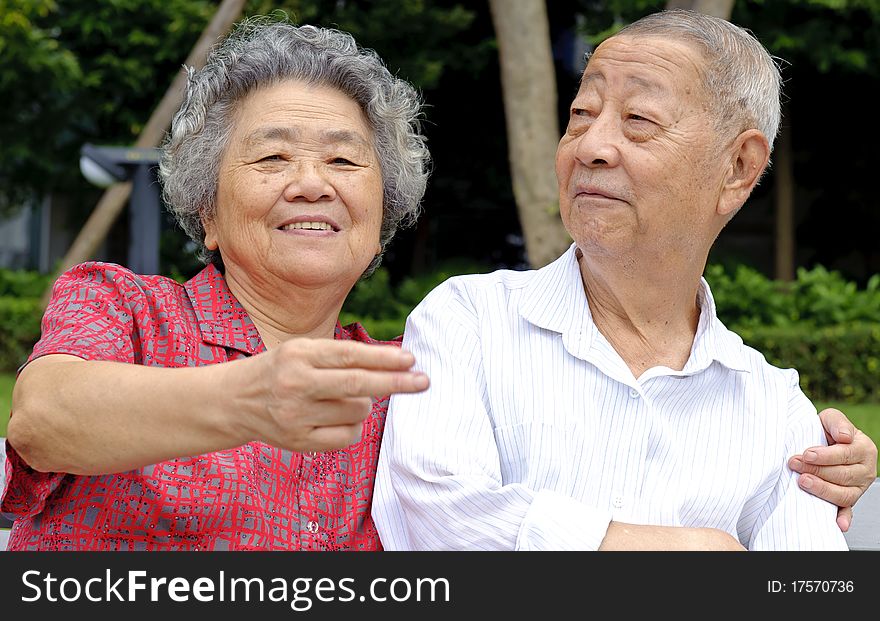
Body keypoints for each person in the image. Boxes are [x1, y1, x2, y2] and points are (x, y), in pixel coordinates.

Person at [372, 9, 878, 550]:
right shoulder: (467, 320)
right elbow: (438, 521)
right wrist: (683, 550)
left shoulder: (774, 409)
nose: (591, 146)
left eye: (639, 119)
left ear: (738, 167)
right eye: (581, 113)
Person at [1, 17, 431, 550]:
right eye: (273, 157)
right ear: (208, 213)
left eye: (343, 160)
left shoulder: (409, 383)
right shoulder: (127, 310)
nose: (312, 184)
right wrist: (248, 399)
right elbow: (44, 420)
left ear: (382, 219)